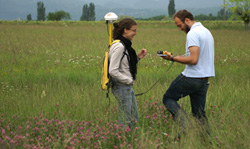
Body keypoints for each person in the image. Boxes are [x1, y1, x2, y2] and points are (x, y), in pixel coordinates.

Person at [161, 10, 215, 138]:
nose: (180, 29)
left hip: (192, 77)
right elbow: (199, 57)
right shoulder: (206, 32)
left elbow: (193, 59)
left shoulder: (193, 33)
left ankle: (185, 125)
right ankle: (207, 143)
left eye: (179, 25)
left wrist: (172, 58)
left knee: (168, 98)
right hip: (204, 80)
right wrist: (178, 56)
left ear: (187, 20)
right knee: (199, 115)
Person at [108, 18, 147, 128]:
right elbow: (113, 70)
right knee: (125, 120)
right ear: (125, 30)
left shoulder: (123, 45)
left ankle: (132, 141)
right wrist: (129, 80)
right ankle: (123, 142)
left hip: (126, 86)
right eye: (134, 30)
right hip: (122, 86)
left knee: (134, 118)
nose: (135, 33)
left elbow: (124, 66)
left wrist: (138, 57)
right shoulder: (119, 46)